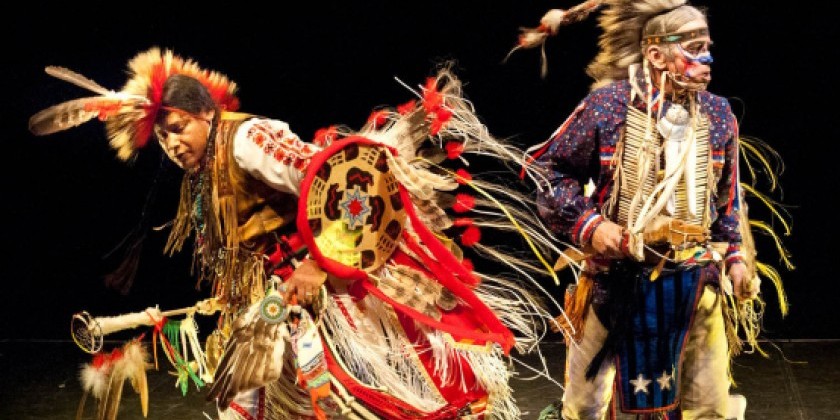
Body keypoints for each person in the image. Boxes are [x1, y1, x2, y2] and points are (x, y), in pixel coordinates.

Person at [29, 47, 561, 419]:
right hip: (275, 307)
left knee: (386, 398)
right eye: (162, 137)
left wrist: (315, 265)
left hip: (328, 295)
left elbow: (347, 184)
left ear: (205, 113)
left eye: (177, 128)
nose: (170, 144)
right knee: (253, 404)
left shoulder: (247, 140)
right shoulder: (204, 168)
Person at [508, 1, 790, 418]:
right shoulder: (607, 107)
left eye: (708, 47)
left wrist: (736, 256)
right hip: (614, 282)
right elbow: (546, 170)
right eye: (694, 48)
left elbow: (727, 200)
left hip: (696, 282)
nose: (708, 59)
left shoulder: (718, 114)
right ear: (656, 55)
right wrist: (592, 225)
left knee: (709, 407)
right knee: (585, 406)